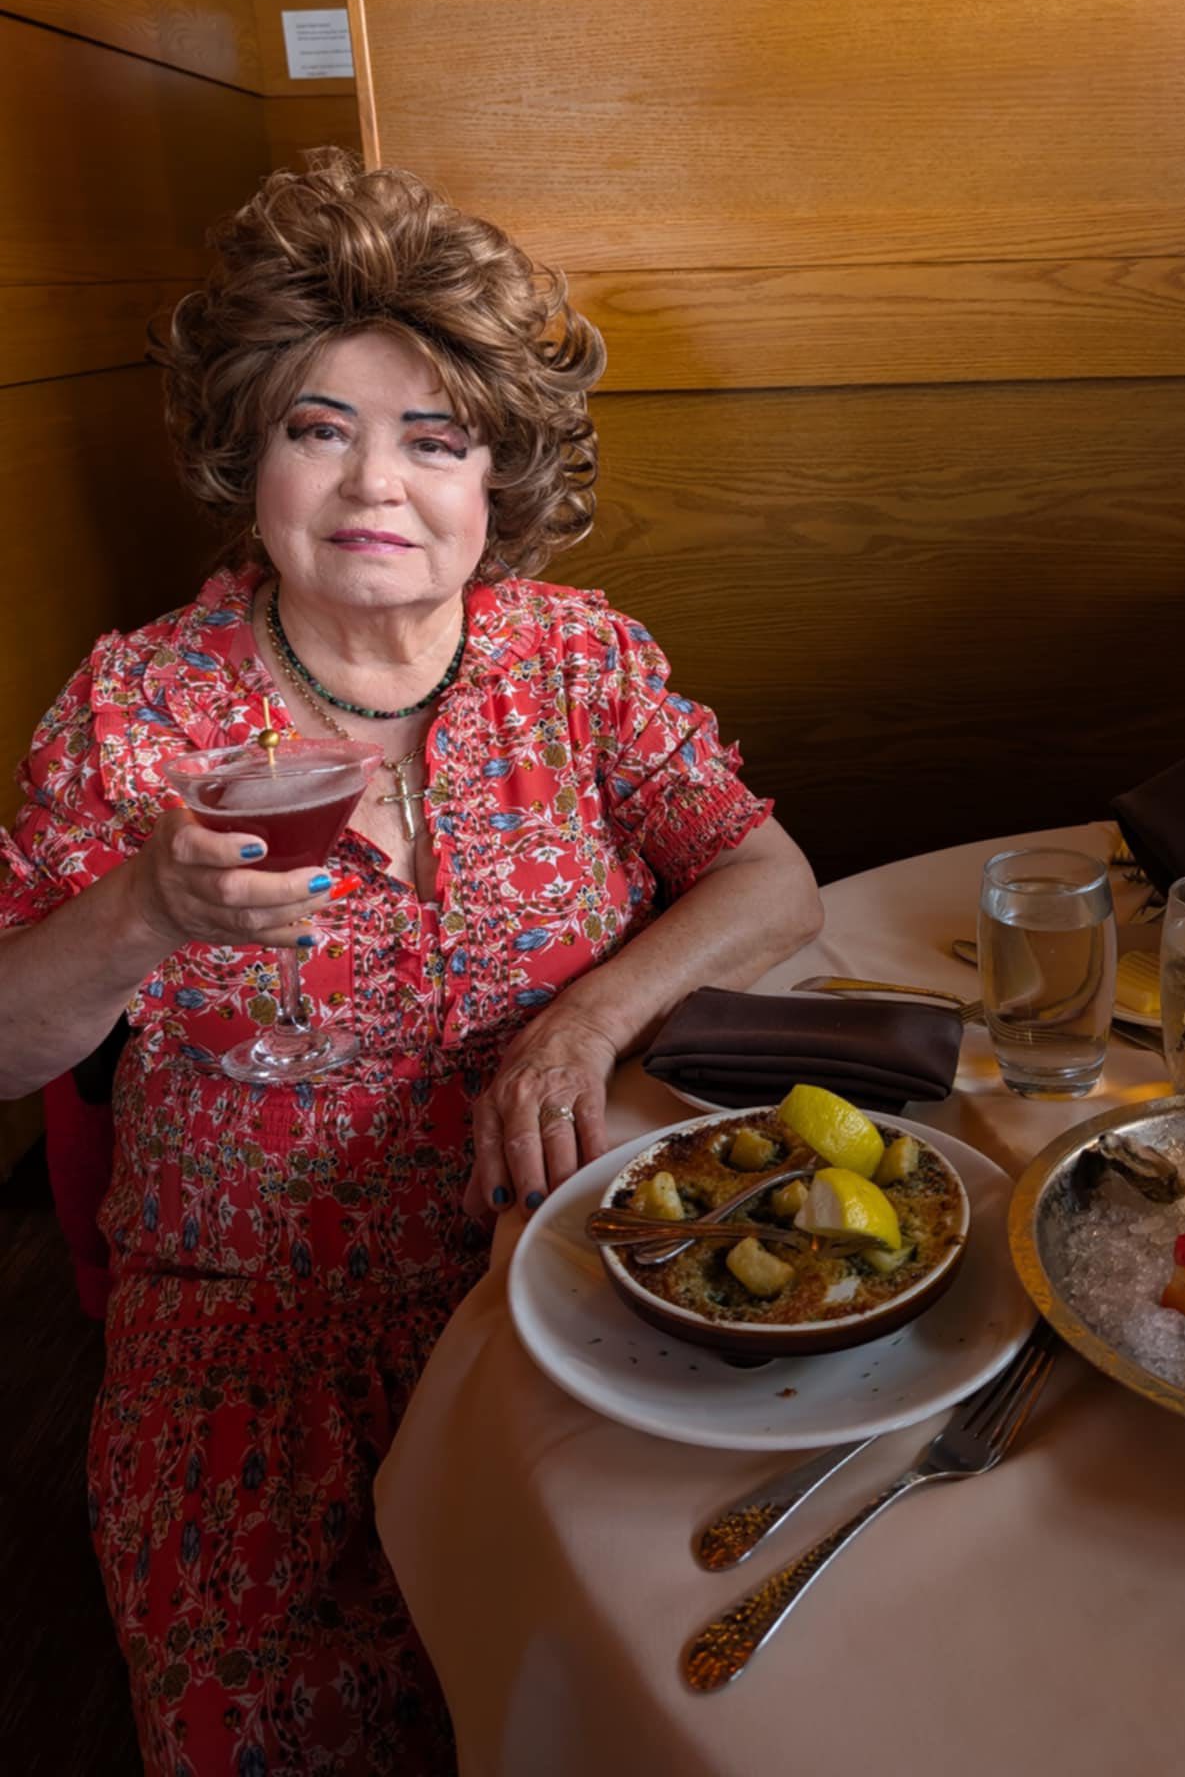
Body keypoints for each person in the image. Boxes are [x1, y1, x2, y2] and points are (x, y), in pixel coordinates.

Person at [0, 150, 823, 1774]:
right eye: (321, 430)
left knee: (698, 1678)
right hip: (258, 1331)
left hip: (576, 1273)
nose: (375, 485)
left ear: (492, 479)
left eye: (433, 440)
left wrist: (583, 1023)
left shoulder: (573, 659)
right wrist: (147, 910)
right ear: (249, 456)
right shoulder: (137, 710)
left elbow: (770, 878)